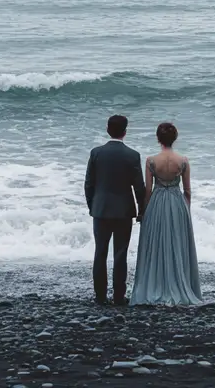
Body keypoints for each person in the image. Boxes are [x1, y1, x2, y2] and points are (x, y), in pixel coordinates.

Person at [129, 121, 201, 305]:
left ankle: (156, 283)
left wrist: (143, 211)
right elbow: (188, 191)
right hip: (176, 202)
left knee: (156, 243)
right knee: (176, 242)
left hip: (158, 202)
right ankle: (179, 282)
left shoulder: (151, 161)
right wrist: (186, 210)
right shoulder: (183, 161)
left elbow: (147, 190)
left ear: (158, 138)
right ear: (174, 138)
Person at [84, 114, 146, 306]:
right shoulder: (132, 155)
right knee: (121, 253)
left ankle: (100, 296)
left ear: (107, 130)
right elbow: (139, 187)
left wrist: (92, 205)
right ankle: (119, 296)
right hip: (123, 211)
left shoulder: (96, 153)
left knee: (100, 252)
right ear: (125, 132)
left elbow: (89, 184)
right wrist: (142, 210)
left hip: (100, 210)